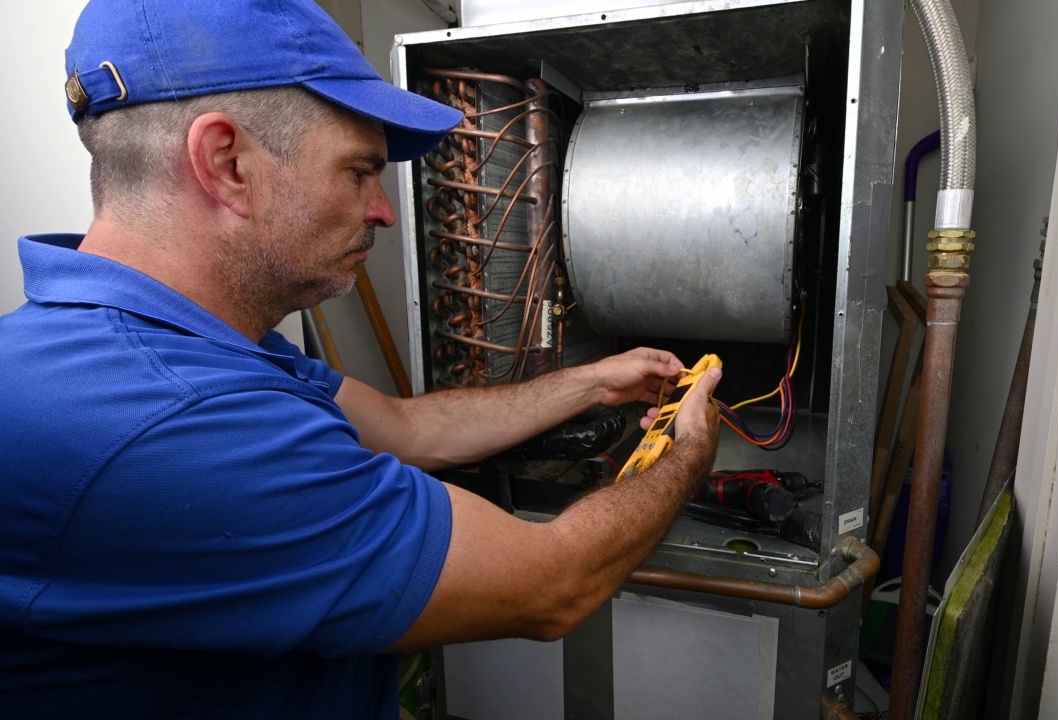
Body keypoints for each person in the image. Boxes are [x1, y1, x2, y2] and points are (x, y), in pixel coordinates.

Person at [0, 0, 721, 717]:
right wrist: (685, 453)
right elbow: (553, 586)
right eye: (358, 171)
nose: (382, 210)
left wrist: (589, 383)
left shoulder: (168, 343)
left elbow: (411, 430)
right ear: (226, 163)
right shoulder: (170, 420)